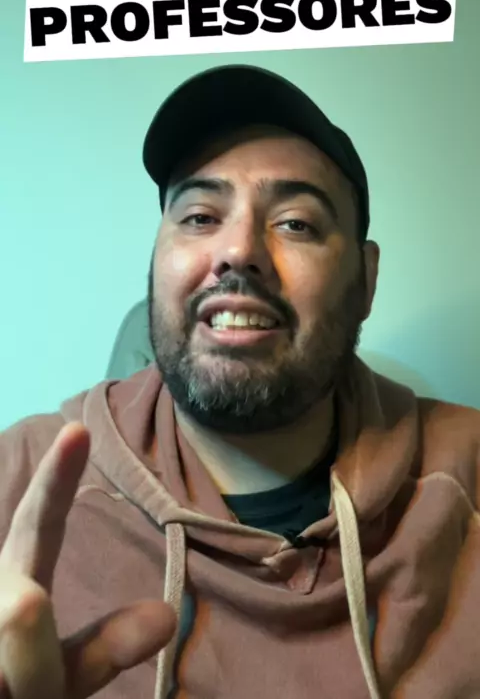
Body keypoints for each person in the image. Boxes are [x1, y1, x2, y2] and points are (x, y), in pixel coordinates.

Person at [1, 64, 479, 699]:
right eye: (200, 216)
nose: (238, 250)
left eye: (296, 223)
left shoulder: (468, 473)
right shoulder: (20, 478)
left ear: (365, 281)